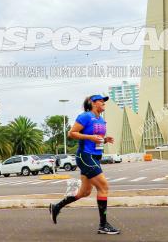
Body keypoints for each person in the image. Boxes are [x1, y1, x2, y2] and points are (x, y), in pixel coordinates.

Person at [49, 94, 119, 234]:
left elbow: (95, 138)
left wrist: (104, 140)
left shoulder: (100, 119)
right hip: (85, 156)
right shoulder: (85, 116)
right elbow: (72, 133)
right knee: (104, 186)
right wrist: (90, 137)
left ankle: (56, 206)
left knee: (85, 192)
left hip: (95, 157)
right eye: (101, 101)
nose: (104, 103)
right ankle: (103, 225)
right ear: (93, 103)